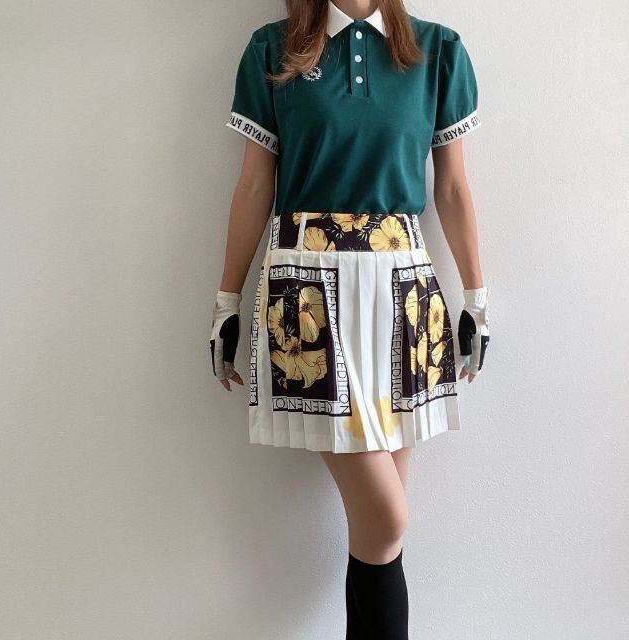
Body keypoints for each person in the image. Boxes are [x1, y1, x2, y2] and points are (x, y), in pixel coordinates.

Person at [210, 1, 490, 637]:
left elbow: (451, 187)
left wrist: (477, 298)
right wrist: (226, 302)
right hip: (305, 301)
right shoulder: (272, 49)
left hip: (405, 299)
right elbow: (254, 186)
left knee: (380, 535)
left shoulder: (439, 51)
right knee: (386, 520)